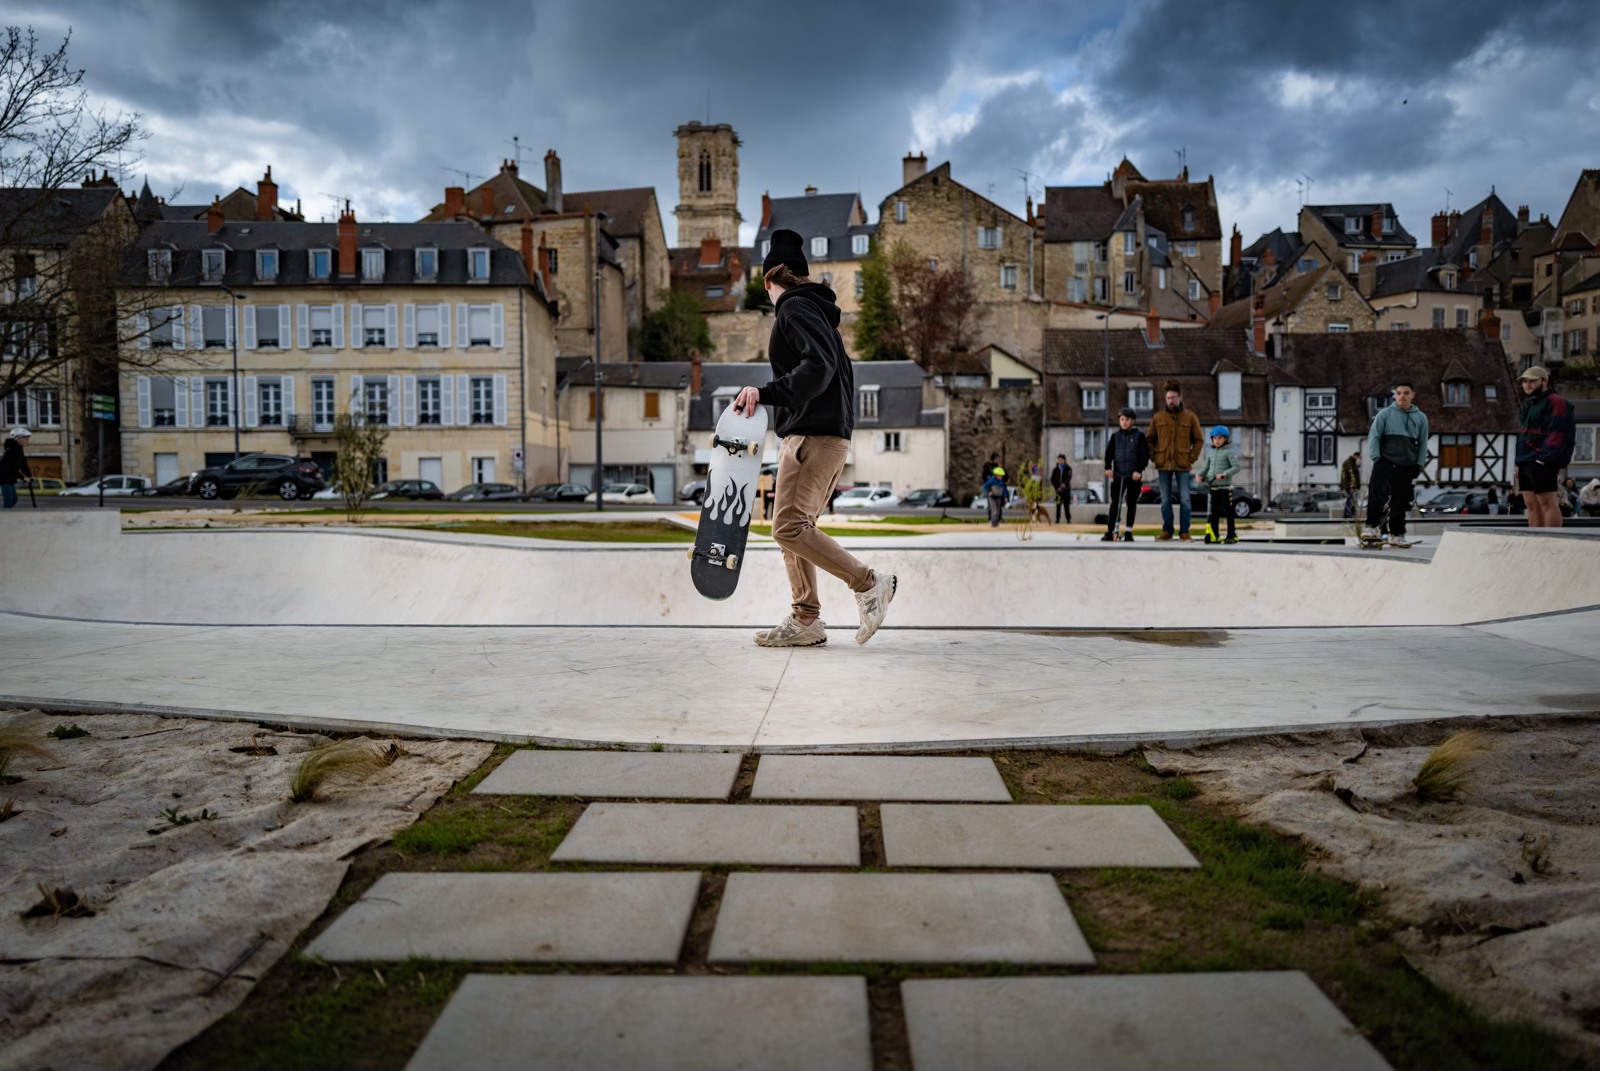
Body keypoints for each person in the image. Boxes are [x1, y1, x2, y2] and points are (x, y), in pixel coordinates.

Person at [732, 229, 896, 648]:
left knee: (788, 527)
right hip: (817, 434)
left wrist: (767, 394)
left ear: (769, 280)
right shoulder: (818, 311)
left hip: (814, 436)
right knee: (791, 527)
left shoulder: (793, 308)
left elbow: (818, 367)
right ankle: (805, 619)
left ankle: (868, 583)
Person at [1363, 381, 1429, 546]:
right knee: (1376, 496)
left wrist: (1419, 465)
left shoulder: (1420, 418)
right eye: (1398, 393)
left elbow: (1423, 443)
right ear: (1395, 395)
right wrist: (1376, 457)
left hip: (1406, 466)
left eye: (1406, 393)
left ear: (1412, 395)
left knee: (1401, 501)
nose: (1402, 396)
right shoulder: (1384, 414)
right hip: (1384, 462)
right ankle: (1371, 528)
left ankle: (1396, 534)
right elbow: (1374, 436)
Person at [1515, 366, 1575, 529]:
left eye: (1532, 381)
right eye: (1525, 381)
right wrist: (1518, 462)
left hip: (1541, 460)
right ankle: (1536, 542)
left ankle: (1553, 541)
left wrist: (1545, 459)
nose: (1527, 385)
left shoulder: (1557, 402)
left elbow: (1559, 432)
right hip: (1526, 460)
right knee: (1531, 505)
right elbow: (1524, 434)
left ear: (1544, 381)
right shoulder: (1530, 403)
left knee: (1547, 504)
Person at [1146, 381, 1204, 541]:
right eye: (1168, 398)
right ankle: (1167, 530)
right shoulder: (1158, 418)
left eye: (1173, 397)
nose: (1170, 400)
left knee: (1185, 498)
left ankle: (1185, 531)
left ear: (1180, 397)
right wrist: (1154, 456)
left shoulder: (1190, 417)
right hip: (1163, 464)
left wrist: (1191, 458)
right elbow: (1149, 439)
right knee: (1165, 499)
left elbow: (1198, 440)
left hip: (1182, 464)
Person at [1102, 407, 1149, 542]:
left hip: (1133, 476)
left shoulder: (1139, 436)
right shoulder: (1115, 437)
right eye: (1122, 419)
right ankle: (1110, 531)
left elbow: (1144, 456)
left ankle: (1128, 531)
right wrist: (1107, 467)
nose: (1124, 422)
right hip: (1118, 475)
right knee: (1115, 504)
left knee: (1131, 503)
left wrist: (1139, 471)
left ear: (1133, 421)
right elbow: (1109, 453)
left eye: (1127, 420)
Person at [1197, 425, 1241, 544]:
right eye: (1214, 438)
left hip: (1225, 488)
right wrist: (1199, 475)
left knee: (1228, 512)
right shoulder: (1211, 453)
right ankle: (1214, 535)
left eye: (1220, 438)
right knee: (1214, 512)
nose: (1217, 441)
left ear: (1226, 439)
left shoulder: (1230, 452)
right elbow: (1205, 468)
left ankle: (1231, 535)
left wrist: (1224, 474)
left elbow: (1236, 467)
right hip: (1213, 487)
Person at [1, 426, 32, 509]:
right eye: (25, 439)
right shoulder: (11, 451)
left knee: (14, 499)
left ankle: (6, 514)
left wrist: (29, 475)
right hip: (4, 477)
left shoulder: (19, 449)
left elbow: (23, 464)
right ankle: (5, 517)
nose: (27, 441)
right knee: (9, 498)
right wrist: (23, 478)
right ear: (18, 438)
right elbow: (11, 468)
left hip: (10, 478)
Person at [1339, 449, 1363, 519]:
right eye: (1359, 458)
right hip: (1349, 486)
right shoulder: (1348, 462)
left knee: (1352, 500)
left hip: (1352, 486)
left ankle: (1351, 515)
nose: (1360, 460)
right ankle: (1346, 515)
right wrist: (1357, 465)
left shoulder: (1351, 462)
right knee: (1350, 500)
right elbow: (1351, 473)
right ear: (1356, 456)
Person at [1049, 453, 1072, 524]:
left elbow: (1069, 478)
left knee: (1066, 505)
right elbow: (1052, 479)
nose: (1060, 461)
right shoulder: (1055, 470)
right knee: (1058, 505)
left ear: (1064, 460)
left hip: (1066, 490)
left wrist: (1065, 484)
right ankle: (1057, 519)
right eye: (1059, 460)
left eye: (1062, 460)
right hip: (1058, 490)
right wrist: (1057, 485)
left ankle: (1068, 519)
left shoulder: (1068, 469)